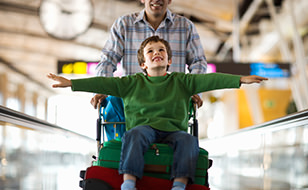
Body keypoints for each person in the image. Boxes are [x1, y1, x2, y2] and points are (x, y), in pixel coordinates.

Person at [47, 36, 268, 190]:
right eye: (150, 51)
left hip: (174, 131)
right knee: (134, 134)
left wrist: (239, 80)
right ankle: (129, 182)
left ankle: (179, 184)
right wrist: (71, 83)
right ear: (143, 63)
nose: (157, 53)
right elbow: (103, 82)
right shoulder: (131, 83)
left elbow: (210, 79)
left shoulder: (181, 81)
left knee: (188, 141)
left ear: (169, 60)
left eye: (161, 50)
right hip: (144, 129)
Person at [91, 0, 207, 109]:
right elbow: (108, 60)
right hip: (134, 105)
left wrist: (194, 91)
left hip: (173, 106)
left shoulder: (185, 27)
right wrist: (102, 89)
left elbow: (198, 63)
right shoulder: (124, 25)